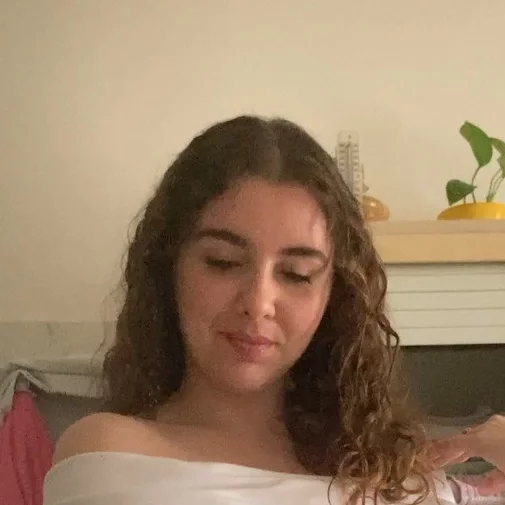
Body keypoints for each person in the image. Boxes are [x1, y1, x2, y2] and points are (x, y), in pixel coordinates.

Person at [42, 116, 502, 505]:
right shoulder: (109, 455)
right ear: (169, 267)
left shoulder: (395, 475)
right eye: (223, 262)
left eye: (297, 274)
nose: (258, 303)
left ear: (333, 294)